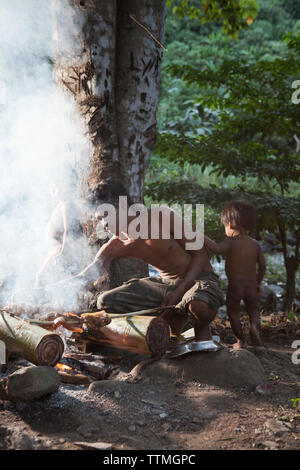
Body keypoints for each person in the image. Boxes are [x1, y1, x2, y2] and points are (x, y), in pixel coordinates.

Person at [77, 206, 224, 343]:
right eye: (99, 220)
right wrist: (60, 289)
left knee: (199, 306)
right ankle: (157, 335)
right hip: (165, 285)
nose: (103, 225)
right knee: (105, 301)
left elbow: (201, 255)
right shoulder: (116, 245)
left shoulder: (161, 216)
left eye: (105, 216)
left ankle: (199, 333)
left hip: (199, 279)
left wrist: (178, 292)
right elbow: (89, 273)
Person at [204, 200, 266, 349]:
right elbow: (262, 266)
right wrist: (258, 283)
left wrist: (202, 237)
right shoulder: (255, 244)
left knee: (233, 313)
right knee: (253, 311)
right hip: (251, 286)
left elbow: (217, 249)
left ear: (230, 224)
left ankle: (241, 341)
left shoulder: (230, 241)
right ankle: (254, 331)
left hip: (235, 287)